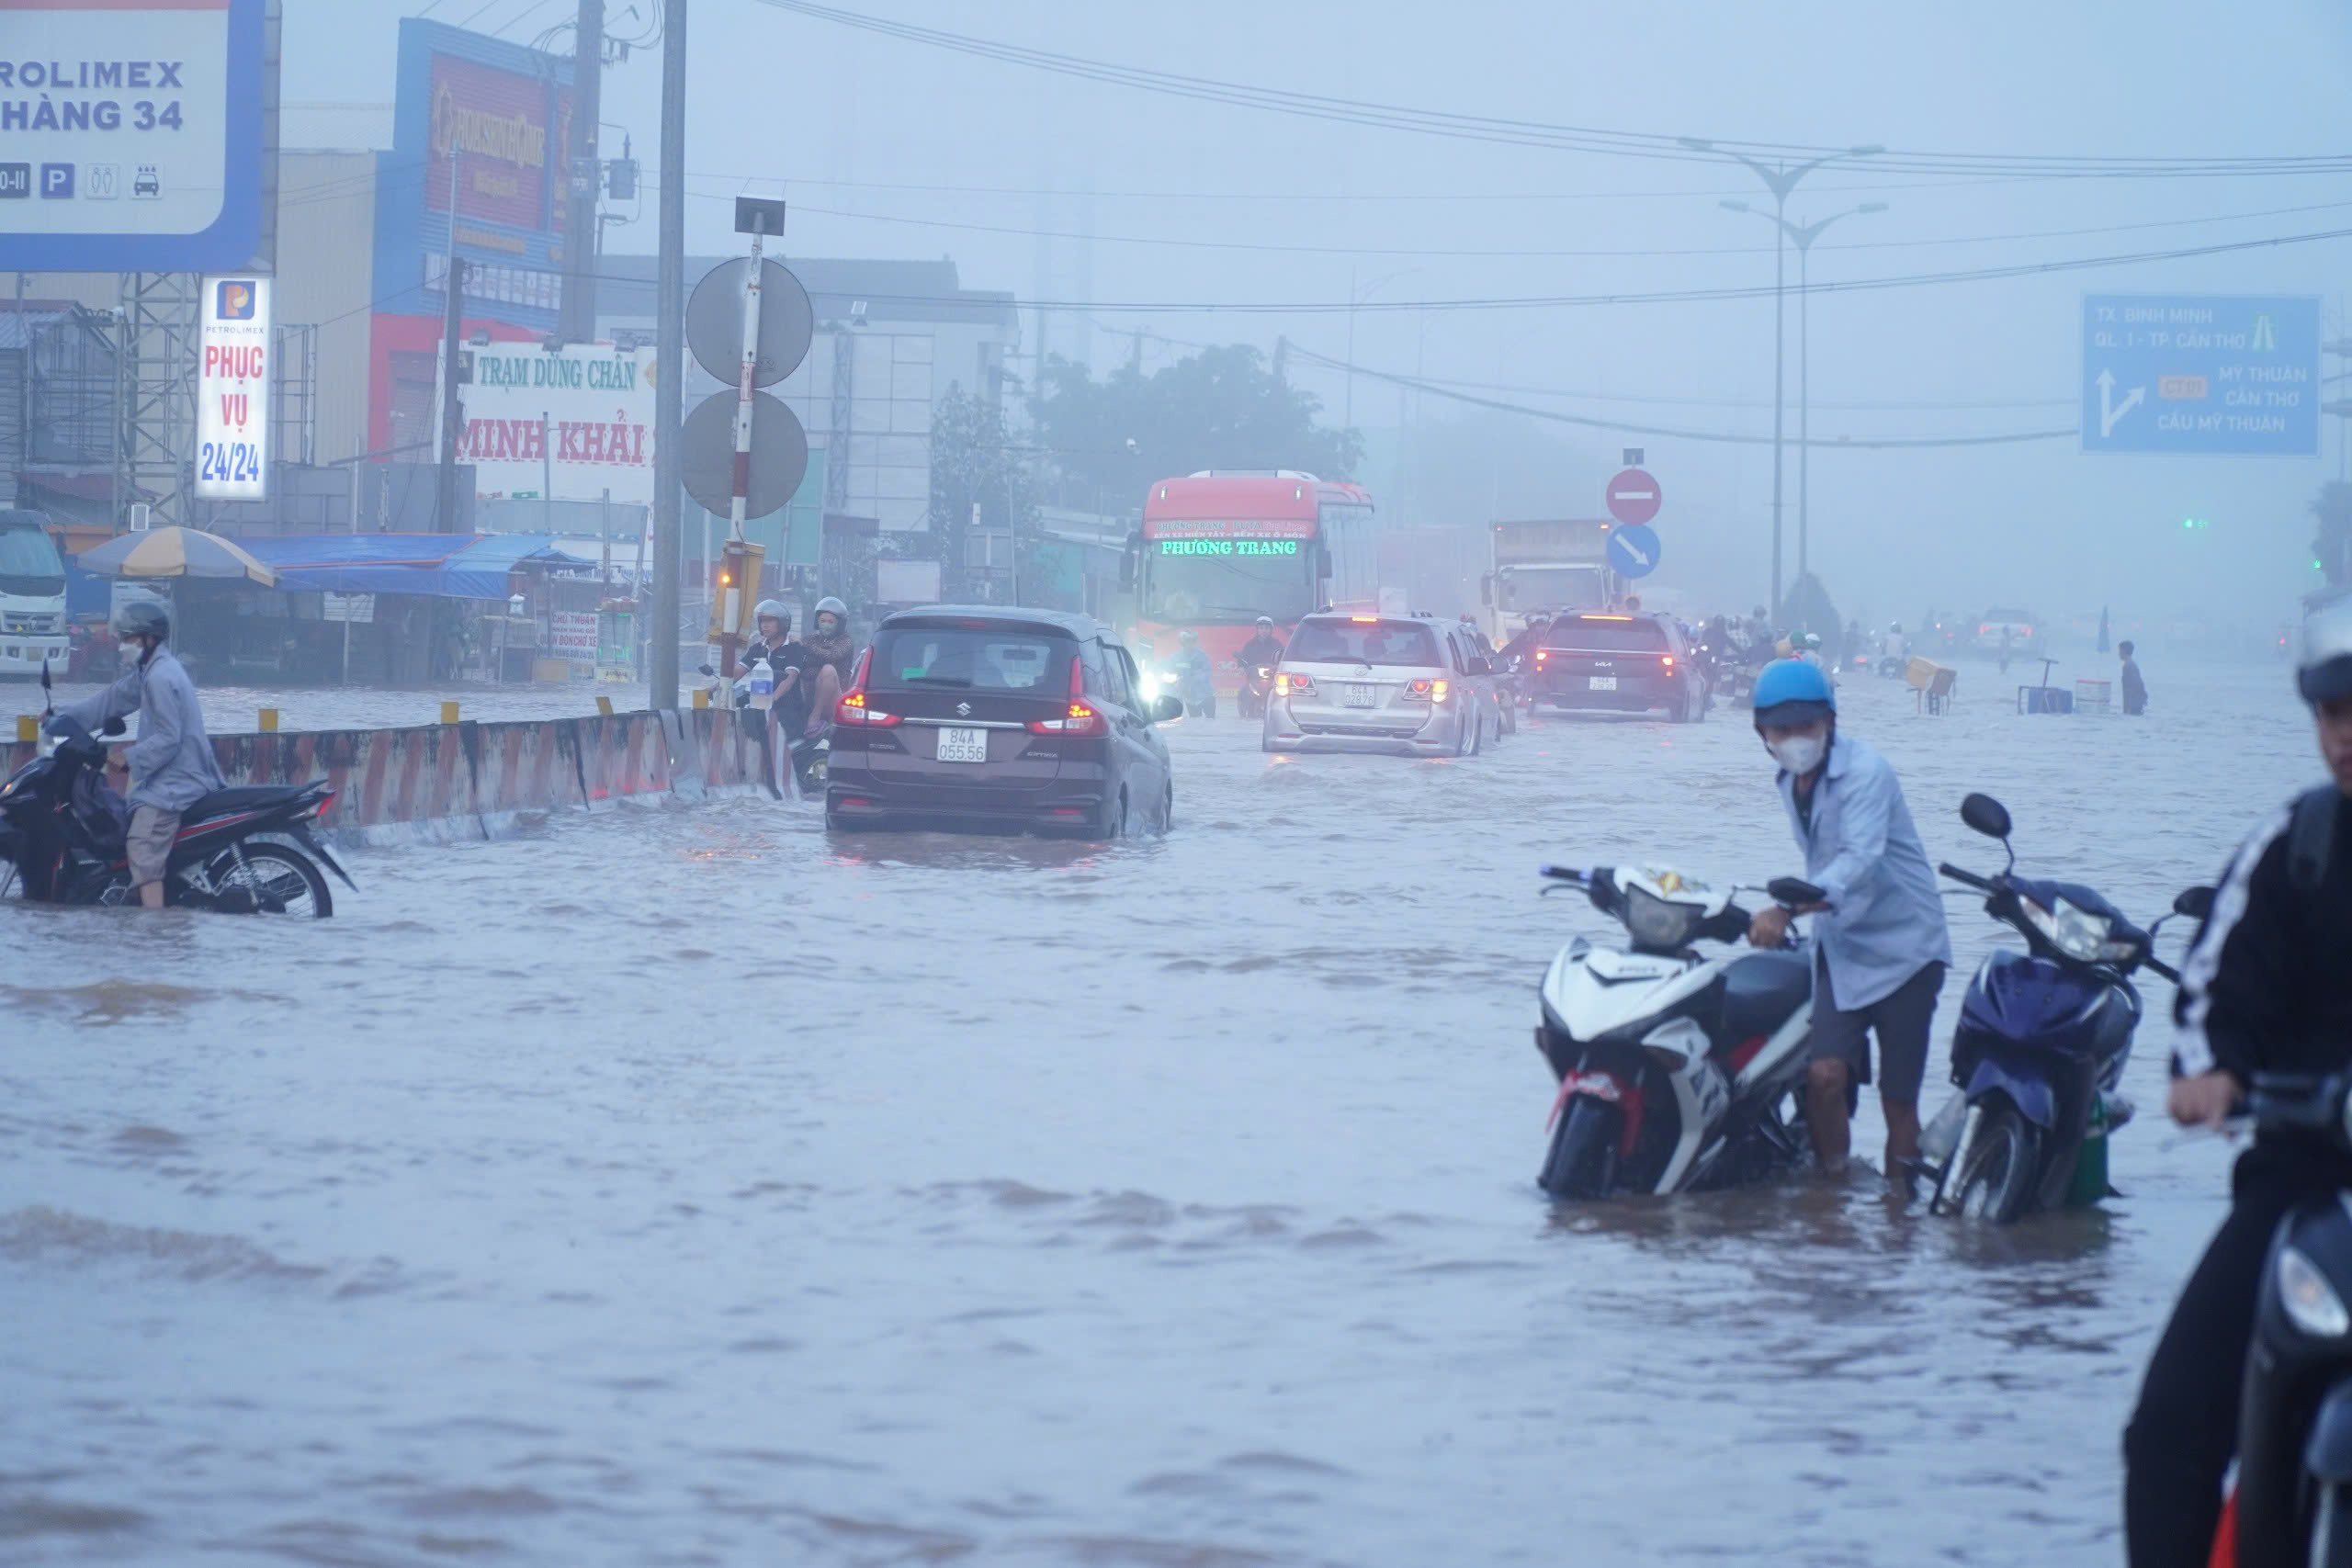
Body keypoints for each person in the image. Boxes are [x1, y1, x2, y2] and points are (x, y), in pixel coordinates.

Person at [2121, 604, 2352, 1567]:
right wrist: (2208, 1073)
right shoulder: (2293, 848)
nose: (2345, 734)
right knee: (2169, 1434)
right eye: (2331, 713)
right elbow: (2217, 981)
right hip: (2304, 1187)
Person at [1746, 659, 1952, 1179]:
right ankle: (1830, 1195)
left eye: (1805, 727)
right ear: (1763, 734)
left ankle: (1898, 1215)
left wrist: (1788, 909)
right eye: (1781, 729)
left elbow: (1858, 862)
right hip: (1841, 947)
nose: (1795, 739)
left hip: (1907, 951)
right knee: (1824, 1077)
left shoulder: (1867, 772)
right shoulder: (1787, 783)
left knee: (1897, 1102)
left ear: (1829, 724)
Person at [58, 599, 227, 910]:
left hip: (178, 781)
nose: (122, 645)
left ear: (148, 640)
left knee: (141, 846)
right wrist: (63, 716)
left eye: (129, 638)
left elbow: (168, 737)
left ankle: (153, 931)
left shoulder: (161, 678)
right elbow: (112, 700)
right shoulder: (150, 670)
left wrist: (128, 758)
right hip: (167, 778)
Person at [740, 600, 837, 739]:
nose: (765, 625)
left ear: (782, 624)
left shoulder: (794, 648)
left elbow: (790, 677)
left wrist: (772, 699)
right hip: (760, 707)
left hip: (788, 711)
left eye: (770, 621)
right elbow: (738, 670)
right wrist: (718, 687)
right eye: (762, 621)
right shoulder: (757, 649)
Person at [803, 596, 857, 692]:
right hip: (810, 693)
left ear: (840, 624)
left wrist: (809, 646)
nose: (826, 625)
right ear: (817, 622)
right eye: (823, 621)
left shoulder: (845, 641)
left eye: (830, 622)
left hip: (835, 693)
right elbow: (800, 643)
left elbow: (831, 655)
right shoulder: (813, 638)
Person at [2119, 638, 2149, 716]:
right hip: (2135, 702)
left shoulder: (2128, 665)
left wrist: (2143, 697)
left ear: (2124, 651)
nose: (2119, 653)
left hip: (2133, 703)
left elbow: (2136, 683)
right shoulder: (2131, 664)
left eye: (2120, 651)